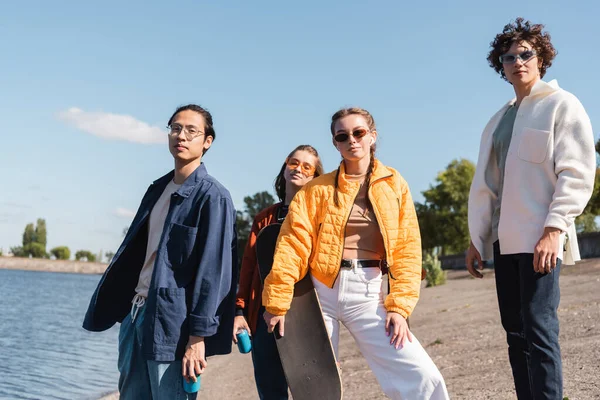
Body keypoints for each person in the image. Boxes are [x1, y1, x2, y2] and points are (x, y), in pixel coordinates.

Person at [262, 107, 449, 399]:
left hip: (368, 292)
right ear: (335, 143)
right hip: (319, 292)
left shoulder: (395, 184)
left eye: (359, 132)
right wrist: (277, 300)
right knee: (317, 387)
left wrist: (399, 307)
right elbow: (293, 244)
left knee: (422, 376)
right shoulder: (317, 189)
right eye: (342, 135)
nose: (352, 140)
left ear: (372, 136)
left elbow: (407, 249)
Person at [466, 18, 596, 400]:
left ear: (541, 59)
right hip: (503, 241)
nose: (517, 61)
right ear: (501, 67)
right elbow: (488, 186)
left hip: (540, 238)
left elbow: (576, 171)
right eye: (509, 57)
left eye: (526, 54)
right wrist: (477, 240)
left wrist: (554, 229)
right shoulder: (498, 120)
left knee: (539, 327)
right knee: (515, 332)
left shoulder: (561, 105)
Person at [83, 104, 238, 400]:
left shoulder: (213, 197)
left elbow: (213, 274)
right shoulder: (157, 189)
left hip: (174, 326)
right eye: (176, 128)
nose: (181, 135)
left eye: (192, 130)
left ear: (207, 141)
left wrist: (197, 338)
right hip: (137, 313)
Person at [233, 145, 323, 399]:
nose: (299, 169)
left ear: (315, 176)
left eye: (307, 166)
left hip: (307, 315)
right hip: (266, 316)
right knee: (270, 389)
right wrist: (239, 311)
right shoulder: (264, 219)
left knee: (311, 389)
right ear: (285, 167)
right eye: (293, 162)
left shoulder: (320, 216)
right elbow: (249, 268)